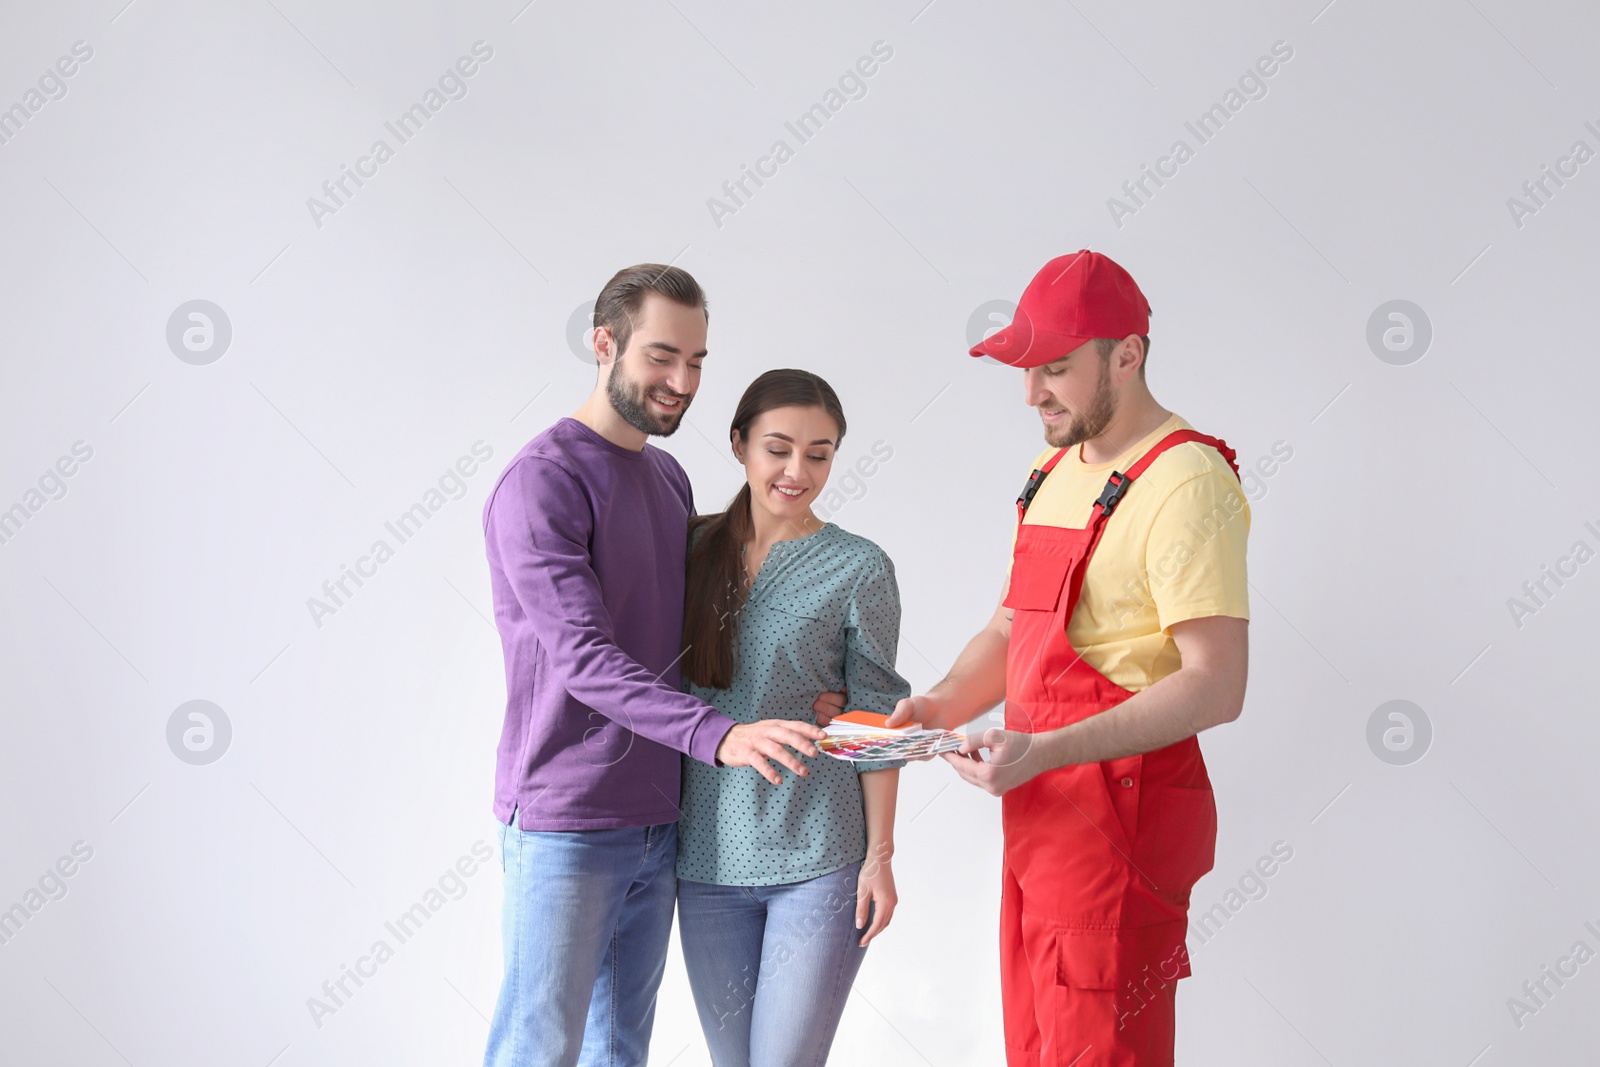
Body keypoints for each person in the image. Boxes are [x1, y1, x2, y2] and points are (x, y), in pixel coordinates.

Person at [886, 250, 1251, 1066]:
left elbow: (1217, 684)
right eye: (1024, 370)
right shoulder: (1052, 469)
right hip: (1041, 821)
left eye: (1055, 368)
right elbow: (1011, 626)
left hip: (1118, 835)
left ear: (1128, 354)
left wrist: (1046, 749)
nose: (1032, 393)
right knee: (1038, 1047)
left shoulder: (1186, 482)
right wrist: (940, 705)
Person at [479, 265, 841, 1067]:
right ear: (603, 343)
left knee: (621, 1051)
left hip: (659, 818)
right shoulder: (543, 481)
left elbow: (685, 634)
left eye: (699, 361)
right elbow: (586, 658)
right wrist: (721, 735)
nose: (683, 382)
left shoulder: (667, 476)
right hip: (565, 820)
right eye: (662, 356)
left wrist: (800, 692)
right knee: (539, 1048)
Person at [674, 369, 910, 1066]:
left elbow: (876, 715)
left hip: (820, 856)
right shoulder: (685, 551)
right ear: (740, 444)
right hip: (706, 858)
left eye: (819, 452)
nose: (796, 470)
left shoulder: (859, 567)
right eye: (777, 448)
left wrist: (881, 857)